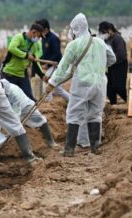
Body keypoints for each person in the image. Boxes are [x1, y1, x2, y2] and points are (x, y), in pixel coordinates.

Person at [45, 13, 116, 156]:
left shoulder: (74, 45)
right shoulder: (100, 42)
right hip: (100, 84)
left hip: (82, 84)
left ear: (75, 29)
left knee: (74, 114)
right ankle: (95, 147)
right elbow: (112, 59)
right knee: (95, 114)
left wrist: (51, 83)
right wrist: (99, 64)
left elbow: (62, 67)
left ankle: (69, 149)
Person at [1, 79, 58, 148]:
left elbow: (16, 112)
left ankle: (51, 141)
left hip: (26, 106)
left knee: (41, 120)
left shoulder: (13, 91)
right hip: (12, 108)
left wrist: (13, 127)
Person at [2, 23, 45, 101]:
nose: (38, 39)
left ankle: (30, 112)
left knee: (29, 98)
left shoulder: (34, 45)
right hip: (9, 73)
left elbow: (36, 61)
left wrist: (42, 75)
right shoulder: (19, 37)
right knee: (8, 98)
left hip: (22, 75)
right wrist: (26, 55)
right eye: (38, 36)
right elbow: (11, 48)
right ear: (34, 32)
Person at [35, 19, 70, 102]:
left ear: (46, 29)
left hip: (56, 66)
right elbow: (45, 54)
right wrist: (38, 60)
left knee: (48, 82)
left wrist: (47, 65)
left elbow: (57, 54)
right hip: (50, 65)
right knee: (57, 90)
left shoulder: (53, 39)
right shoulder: (44, 38)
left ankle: (49, 102)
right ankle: (49, 102)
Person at [98, 21, 128, 105]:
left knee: (118, 86)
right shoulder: (107, 39)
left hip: (119, 65)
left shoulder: (117, 38)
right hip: (109, 66)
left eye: (104, 32)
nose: (104, 34)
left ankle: (128, 99)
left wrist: (110, 60)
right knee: (109, 86)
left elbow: (121, 54)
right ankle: (113, 103)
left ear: (110, 29)